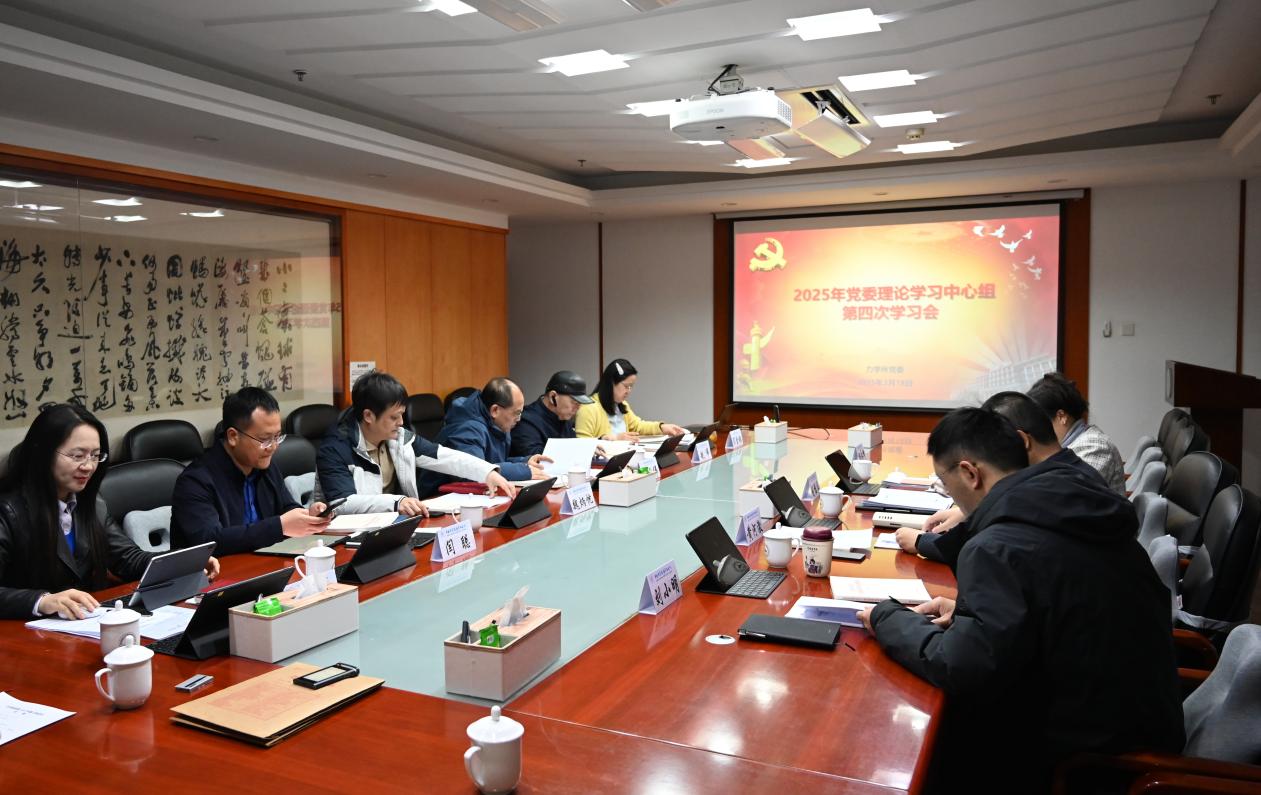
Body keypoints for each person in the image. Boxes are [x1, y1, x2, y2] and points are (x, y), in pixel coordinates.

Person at [858, 408, 1183, 792]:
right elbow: (1057, 603)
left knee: (910, 740)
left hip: (1088, 758)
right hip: (1138, 717)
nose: (951, 497)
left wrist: (887, 618)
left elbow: (961, 667)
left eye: (946, 484)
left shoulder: (997, 546)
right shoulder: (1072, 501)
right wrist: (968, 614)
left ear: (970, 473)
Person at [0, 403, 219, 620]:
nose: (88, 466)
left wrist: (184, 562)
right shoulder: (8, 512)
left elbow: (128, 560)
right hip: (22, 630)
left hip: (82, 624)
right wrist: (41, 601)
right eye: (77, 456)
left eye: (95, 455)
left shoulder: (91, 504)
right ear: (43, 453)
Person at [897, 391, 1121, 569]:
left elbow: (991, 548)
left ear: (1021, 440)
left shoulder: (1046, 489)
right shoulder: (1068, 472)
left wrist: (921, 542)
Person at [317, 371, 513, 515]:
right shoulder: (335, 448)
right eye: (394, 417)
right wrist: (397, 502)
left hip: (395, 526)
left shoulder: (399, 437)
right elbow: (342, 504)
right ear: (368, 416)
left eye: (402, 415)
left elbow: (443, 456)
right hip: (348, 538)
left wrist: (487, 472)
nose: (401, 422)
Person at [171, 387, 331, 555]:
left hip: (266, 561)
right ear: (233, 436)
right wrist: (280, 526)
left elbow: (285, 507)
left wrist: (307, 515)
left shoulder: (265, 466)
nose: (273, 447)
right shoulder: (195, 481)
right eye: (265, 439)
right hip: (220, 569)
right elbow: (211, 541)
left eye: (277, 437)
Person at [418, 378, 550, 496]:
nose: (519, 419)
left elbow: (490, 461)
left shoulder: (497, 423)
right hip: (436, 500)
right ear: (495, 410)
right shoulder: (468, 428)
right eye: (516, 413)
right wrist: (523, 470)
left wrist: (524, 461)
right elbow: (472, 472)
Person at [1027, 371, 1125, 494]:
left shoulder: (1095, 446)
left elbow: (1067, 495)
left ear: (1061, 416)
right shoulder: (1075, 444)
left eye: (1040, 422)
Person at [574, 359, 686, 441]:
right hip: (602, 463)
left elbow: (638, 426)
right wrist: (615, 439)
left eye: (631, 386)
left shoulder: (622, 405)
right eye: (626, 386)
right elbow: (582, 445)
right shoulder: (588, 409)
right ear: (611, 383)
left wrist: (662, 427)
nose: (629, 391)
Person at [509, 370, 593, 458]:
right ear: (553, 397)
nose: (578, 408)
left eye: (580, 404)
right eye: (574, 402)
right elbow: (536, 457)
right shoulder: (526, 421)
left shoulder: (564, 417)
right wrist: (579, 450)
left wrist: (587, 448)